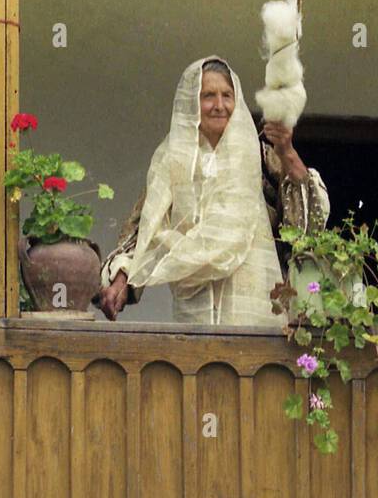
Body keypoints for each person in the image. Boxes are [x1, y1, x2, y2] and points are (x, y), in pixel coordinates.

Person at [96, 56, 329, 327]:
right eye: (208, 96)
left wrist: (287, 152)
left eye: (227, 96)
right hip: (193, 315)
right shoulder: (172, 161)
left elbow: (309, 226)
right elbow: (143, 230)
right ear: (192, 103)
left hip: (257, 313)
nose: (219, 106)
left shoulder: (260, 158)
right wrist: (121, 281)